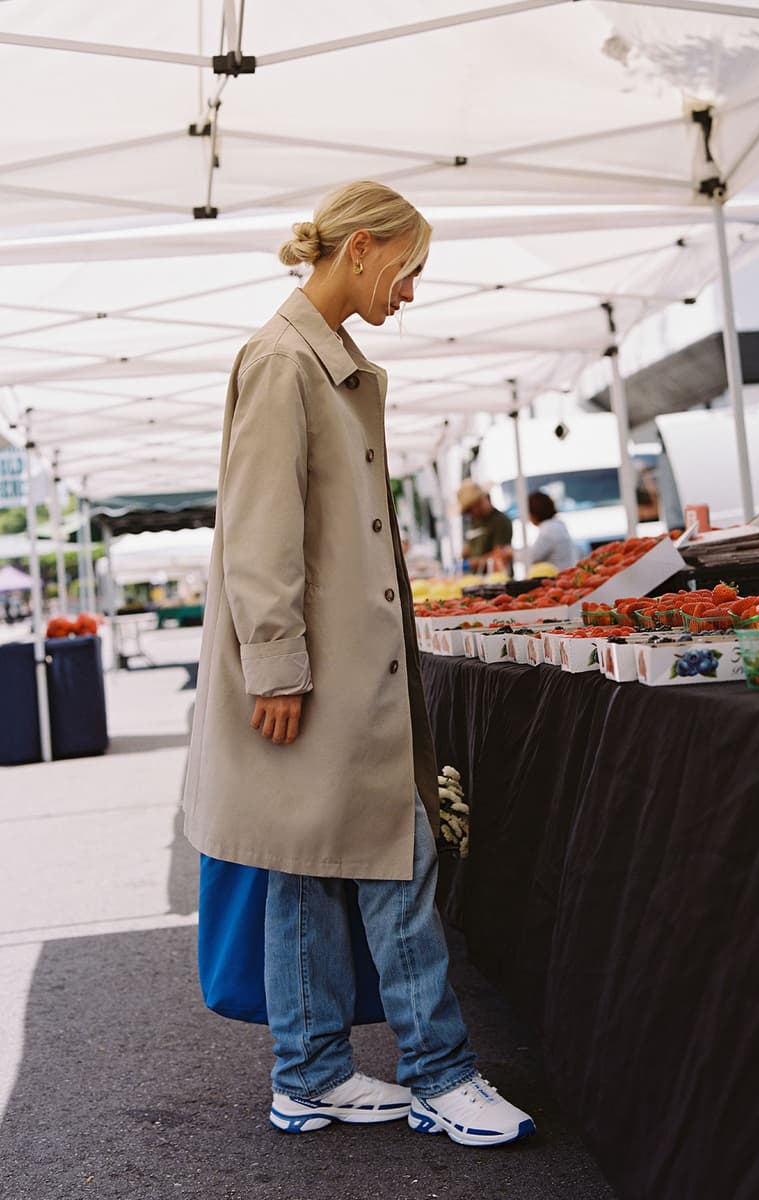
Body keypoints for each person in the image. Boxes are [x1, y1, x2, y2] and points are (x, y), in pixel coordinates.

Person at [182, 181, 534, 1147]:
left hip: (334, 674)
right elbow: (260, 533)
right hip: (321, 680)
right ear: (366, 249)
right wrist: (278, 668)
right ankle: (439, 1075)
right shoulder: (284, 360)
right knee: (396, 861)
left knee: (305, 867)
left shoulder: (317, 359)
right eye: (411, 271)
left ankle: (310, 1075)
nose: (411, 294)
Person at [457, 481, 513, 574]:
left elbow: (500, 556)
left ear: (478, 502)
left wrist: (471, 563)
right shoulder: (474, 521)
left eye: (470, 509)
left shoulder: (500, 521)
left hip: (495, 578)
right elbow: (471, 546)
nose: (469, 514)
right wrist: (462, 556)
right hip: (477, 578)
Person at [527, 491, 578, 571]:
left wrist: (512, 553)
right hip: (568, 572)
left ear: (533, 513)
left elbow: (531, 557)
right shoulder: (557, 525)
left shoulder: (548, 530)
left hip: (559, 576)